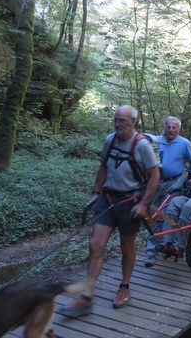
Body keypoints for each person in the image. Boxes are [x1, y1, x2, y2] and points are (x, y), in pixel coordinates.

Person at [60, 105, 160, 317]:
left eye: (122, 120)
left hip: (130, 202)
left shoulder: (142, 146)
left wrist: (143, 203)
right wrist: (96, 192)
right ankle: (86, 296)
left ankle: (124, 287)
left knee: (127, 247)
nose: (117, 124)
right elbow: (104, 167)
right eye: (116, 119)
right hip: (107, 199)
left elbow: (154, 176)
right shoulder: (110, 140)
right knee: (95, 245)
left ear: (133, 122)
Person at [144, 116, 191, 267]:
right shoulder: (155, 141)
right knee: (151, 215)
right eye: (168, 127)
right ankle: (164, 242)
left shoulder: (184, 143)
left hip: (174, 183)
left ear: (179, 129)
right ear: (164, 127)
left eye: (174, 127)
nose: (171, 130)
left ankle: (152, 251)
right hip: (155, 182)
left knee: (163, 214)